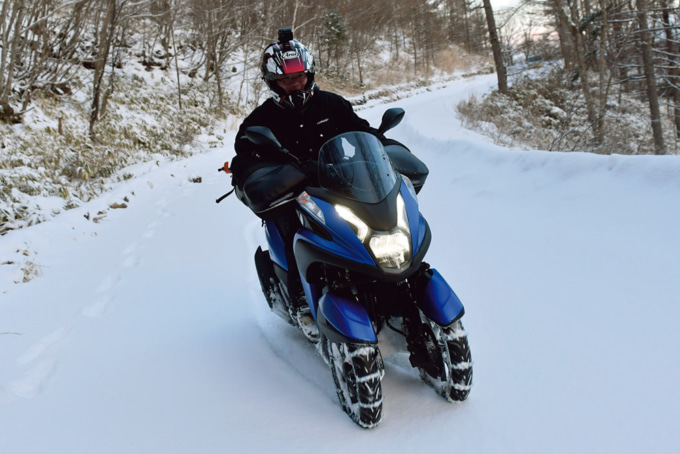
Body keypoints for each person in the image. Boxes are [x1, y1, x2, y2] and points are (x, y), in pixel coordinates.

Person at [229, 28, 391, 338]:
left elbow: (361, 132)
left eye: (300, 77)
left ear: (310, 73)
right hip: (293, 194)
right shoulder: (259, 121)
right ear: (272, 83)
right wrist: (260, 176)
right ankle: (301, 300)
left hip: (338, 184)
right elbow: (244, 158)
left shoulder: (332, 105)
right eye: (287, 81)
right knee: (294, 230)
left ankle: (385, 280)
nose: (295, 84)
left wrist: (383, 146)